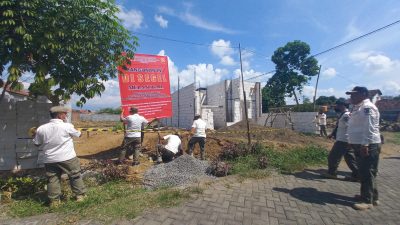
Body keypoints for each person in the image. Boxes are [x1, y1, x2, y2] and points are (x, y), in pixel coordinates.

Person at [33, 106, 86, 207]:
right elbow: (79, 135)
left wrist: (34, 135)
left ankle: (54, 202)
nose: (66, 115)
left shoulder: (41, 128)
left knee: (52, 179)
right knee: (75, 175)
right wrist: (79, 132)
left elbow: (37, 143)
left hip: (50, 159)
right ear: (59, 115)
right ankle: (80, 196)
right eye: (65, 113)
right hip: (67, 157)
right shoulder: (67, 126)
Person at [346, 86, 381, 210]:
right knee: (367, 172)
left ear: (363, 94)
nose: (351, 97)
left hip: (367, 145)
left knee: (366, 173)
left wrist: (365, 144)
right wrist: (351, 141)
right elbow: (354, 126)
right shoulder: (358, 107)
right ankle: (373, 197)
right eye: (351, 95)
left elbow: (369, 127)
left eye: (354, 94)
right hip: (360, 143)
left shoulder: (367, 107)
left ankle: (367, 201)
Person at [323, 99, 359, 181]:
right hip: (345, 140)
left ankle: (332, 173)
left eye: (337, 105)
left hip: (343, 140)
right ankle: (358, 174)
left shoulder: (346, 115)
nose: (336, 107)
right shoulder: (343, 114)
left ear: (342, 105)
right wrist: (332, 134)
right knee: (350, 159)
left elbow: (351, 127)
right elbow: (339, 126)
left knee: (333, 157)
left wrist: (351, 139)